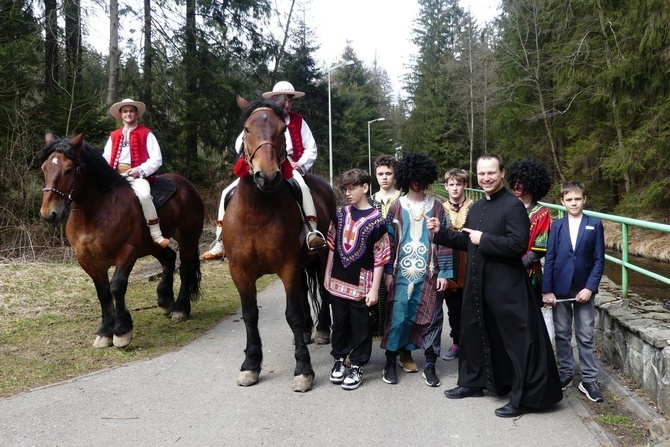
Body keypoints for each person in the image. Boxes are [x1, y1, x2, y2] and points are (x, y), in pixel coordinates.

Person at [426, 153, 562, 418]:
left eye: (491, 173)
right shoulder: (476, 208)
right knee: (475, 333)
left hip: (507, 287)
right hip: (478, 285)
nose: (486, 178)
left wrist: (483, 238)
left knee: (516, 342)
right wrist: (440, 233)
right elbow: (467, 241)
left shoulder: (513, 206)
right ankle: (474, 383)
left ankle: (522, 397)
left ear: (502, 173)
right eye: (481, 174)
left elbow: (518, 245)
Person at [201, 81, 325, 260]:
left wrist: (301, 164)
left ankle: (311, 232)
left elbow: (311, 148)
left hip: (288, 165)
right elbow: (240, 143)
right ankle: (220, 239)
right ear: (275, 99)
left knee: (302, 187)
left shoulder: (298, 121)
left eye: (291, 100)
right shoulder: (261, 117)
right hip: (260, 165)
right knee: (227, 192)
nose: (288, 104)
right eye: (285, 99)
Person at [380, 152, 452, 388]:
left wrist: (444, 273)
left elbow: (446, 240)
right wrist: (388, 271)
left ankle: (430, 363)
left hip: (431, 274)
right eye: (412, 178)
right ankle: (390, 360)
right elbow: (388, 242)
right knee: (398, 314)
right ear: (405, 178)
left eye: (420, 178)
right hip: (401, 273)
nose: (416, 182)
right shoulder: (396, 207)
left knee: (432, 317)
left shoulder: (439, 208)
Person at [325, 169, 390, 390]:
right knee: (339, 323)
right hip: (337, 281)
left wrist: (374, 289)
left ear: (365, 187)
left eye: (352, 187)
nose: (348, 193)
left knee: (361, 325)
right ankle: (339, 360)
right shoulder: (340, 214)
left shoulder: (377, 220)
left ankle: (358, 365)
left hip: (362, 283)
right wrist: (327, 274)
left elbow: (381, 258)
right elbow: (332, 246)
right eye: (345, 189)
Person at [542, 181, 605, 402]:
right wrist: (547, 290)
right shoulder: (557, 226)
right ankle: (566, 373)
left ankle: (589, 379)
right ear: (562, 202)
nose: (574, 203)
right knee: (562, 333)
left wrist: (590, 287)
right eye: (569, 200)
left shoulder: (594, 225)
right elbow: (549, 258)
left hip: (584, 288)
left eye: (577, 199)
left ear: (584, 200)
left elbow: (599, 260)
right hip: (559, 288)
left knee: (585, 334)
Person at [103, 98, 169, 248]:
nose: (128, 114)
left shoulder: (146, 134)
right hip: (115, 177)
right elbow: (106, 158)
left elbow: (157, 159)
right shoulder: (114, 135)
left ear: (136, 114)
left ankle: (156, 234)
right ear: (120, 115)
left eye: (131, 111)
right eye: (125, 111)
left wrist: (139, 170)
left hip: (136, 176)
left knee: (145, 196)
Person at [439, 168, 474, 361]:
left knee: (472, 306)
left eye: (458, 184)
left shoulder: (474, 207)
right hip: (449, 264)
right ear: (445, 186)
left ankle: (472, 343)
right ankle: (457, 342)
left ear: (465, 185)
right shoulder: (440, 208)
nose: (454, 188)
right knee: (453, 308)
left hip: (470, 263)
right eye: (451, 184)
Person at [507, 157, 552, 305]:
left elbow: (540, 248)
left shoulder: (542, 213)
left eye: (522, 182)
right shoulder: (507, 207)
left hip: (529, 274)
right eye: (515, 181)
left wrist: (518, 264)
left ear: (532, 183)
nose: (517, 185)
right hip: (505, 271)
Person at [370, 154, 402, 339]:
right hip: (375, 263)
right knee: (373, 307)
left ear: (394, 175)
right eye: (380, 173)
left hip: (400, 260)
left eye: (388, 173)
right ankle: (364, 352)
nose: (384, 177)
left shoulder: (404, 200)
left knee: (400, 308)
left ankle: (403, 353)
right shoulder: (369, 201)